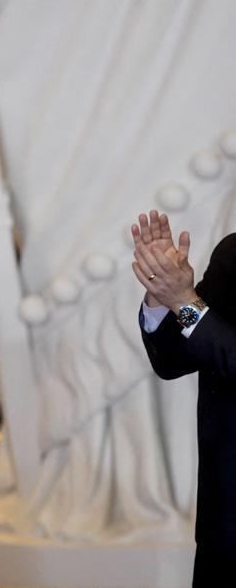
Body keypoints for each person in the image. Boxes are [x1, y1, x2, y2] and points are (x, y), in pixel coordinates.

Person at [132, 210, 236, 585]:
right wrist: (162, 296)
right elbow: (175, 357)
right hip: (225, 522)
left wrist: (185, 301)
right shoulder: (233, 254)